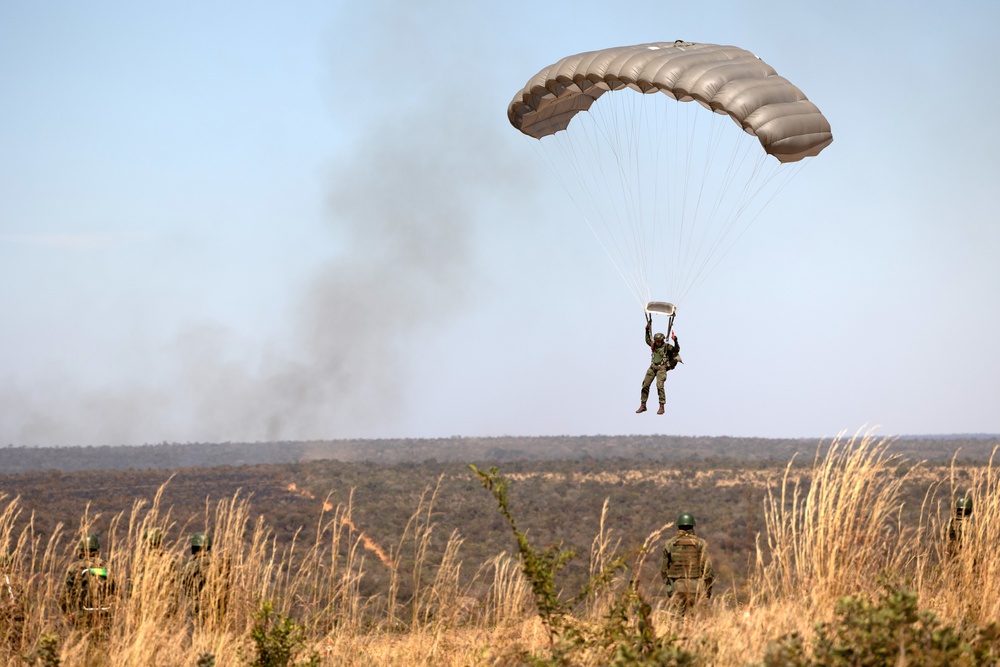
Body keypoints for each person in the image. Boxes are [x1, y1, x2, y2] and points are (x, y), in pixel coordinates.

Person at [660, 512, 714, 615]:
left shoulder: (670, 544)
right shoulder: (700, 543)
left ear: (678, 526)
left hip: (677, 587)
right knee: (700, 621)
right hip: (697, 587)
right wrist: (707, 590)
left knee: (676, 620)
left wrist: (671, 586)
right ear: (693, 527)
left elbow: (664, 571)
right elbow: (708, 571)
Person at [60, 534, 115, 625]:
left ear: (81, 551)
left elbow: (64, 597)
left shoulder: (74, 568)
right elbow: (116, 592)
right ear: (97, 550)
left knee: (82, 639)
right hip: (103, 617)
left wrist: (69, 614)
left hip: (81, 616)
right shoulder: (107, 567)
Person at [636, 314, 681, 415]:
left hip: (661, 368)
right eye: (656, 342)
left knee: (659, 386)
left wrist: (676, 341)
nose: (657, 343)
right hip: (652, 367)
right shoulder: (653, 345)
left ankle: (661, 406)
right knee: (645, 384)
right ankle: (643, 405)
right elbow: (647, 340)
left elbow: (676, 350)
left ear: (662, 341)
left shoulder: (666, 347)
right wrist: (647, 330)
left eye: (659, 342)